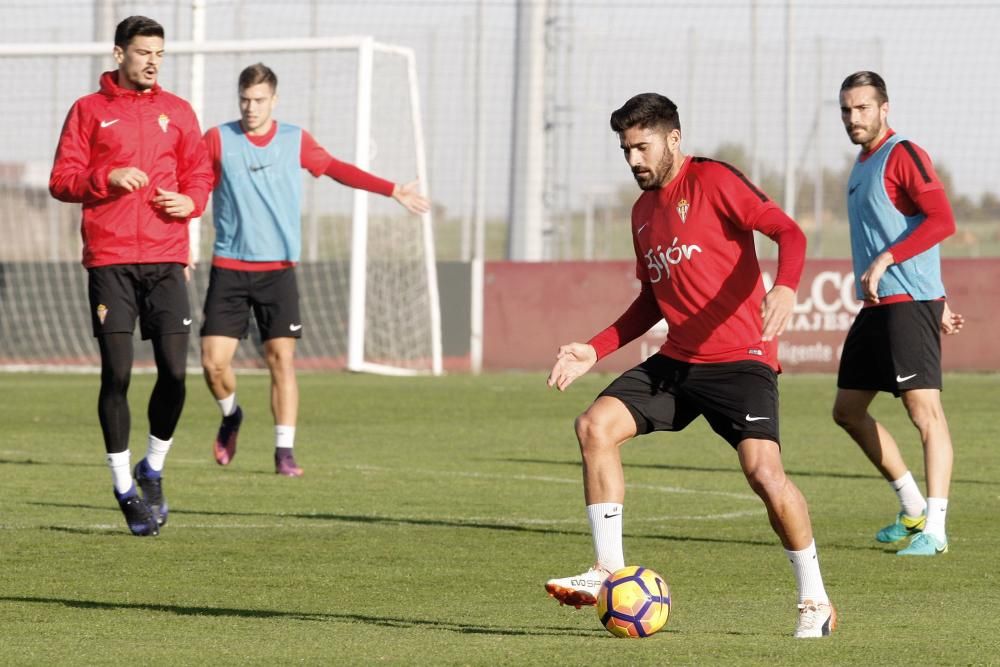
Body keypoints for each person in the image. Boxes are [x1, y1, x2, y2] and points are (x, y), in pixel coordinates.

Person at [545, 93, 835, 638]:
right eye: (626, 149)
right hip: (679, 360)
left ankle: (814, 601)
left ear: (673, 139)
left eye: (642, 146)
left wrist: (789, 287)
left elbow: (788, 233)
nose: (633, 159)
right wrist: (594, 347)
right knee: (593, 426)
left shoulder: (715, 180)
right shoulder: (641, 214)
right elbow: (653, 300)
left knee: (765, 475)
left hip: (742, 362)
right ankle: (607, 570)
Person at [200, 63, 430, 477]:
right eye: (245, 100)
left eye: (259, 100)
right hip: (228, 267)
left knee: (281, 360)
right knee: (213, 364)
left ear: (274, 100)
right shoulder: (217, 139)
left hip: (278, 269)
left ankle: (284, 450)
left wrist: (392, 189)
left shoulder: (294, 140)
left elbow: (338, 169)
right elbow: (194, 188)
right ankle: (231, 415)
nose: (251, 108)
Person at [49, 16, 213, 536]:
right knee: (117, 374)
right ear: (119, 54)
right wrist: (106, 177)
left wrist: (192, 201)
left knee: (175, 372)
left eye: (159, 54)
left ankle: (153, 467)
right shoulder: (88, 111)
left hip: (166, 257)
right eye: (143, 52)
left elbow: (200, 173)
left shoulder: (178, 111)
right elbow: (61, 180)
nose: (152, 62)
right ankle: (123, 488)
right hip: (111, 258)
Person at [833, 71, 964, 557]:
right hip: (877, 306)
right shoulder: (861, 163)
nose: (853, 117)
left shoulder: (903, 153)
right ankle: (912, 508)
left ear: (884, 108)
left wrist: (900, 268)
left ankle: (937, 530)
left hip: (909, 303)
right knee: (847, 411)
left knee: (923, 412)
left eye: (862, 108)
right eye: (846, 109)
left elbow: (941, 220)